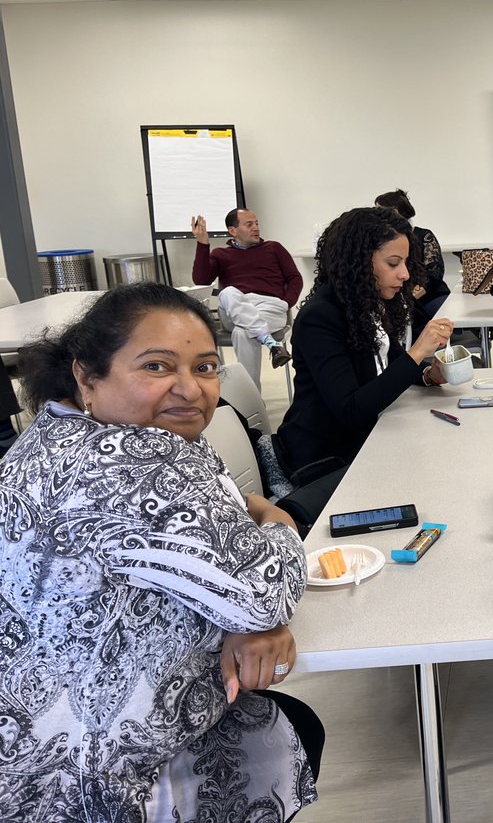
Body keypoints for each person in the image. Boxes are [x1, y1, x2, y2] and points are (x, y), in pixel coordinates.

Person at [0, 282, 321, 820]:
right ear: (86, 374)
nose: (190, 389)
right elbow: (265, 595)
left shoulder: (43, 438)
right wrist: (278, 518)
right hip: (100, 780)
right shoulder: (146, 457)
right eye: (155, 366)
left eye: (204, 367)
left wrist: (236, 601)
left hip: (22, 758)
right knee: (289, 727)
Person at [274, 206, 455, 478]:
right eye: (393, 263)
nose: (405, 274)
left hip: (366, 441)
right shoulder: (320, 318)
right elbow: (351, 411)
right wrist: (417, 352)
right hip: (326, 458)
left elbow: (390, 365)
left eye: (406, 263)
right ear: (358, 261)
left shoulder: (366, 305)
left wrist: (429, 375)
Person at [191, 207, 303, 388]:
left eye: (257, 223)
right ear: (232, 230)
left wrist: (286, 303)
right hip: (234, 308)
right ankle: (271, 344)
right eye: (249, 224)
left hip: (270, 307)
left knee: (242, 333)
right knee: (227, 292)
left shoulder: (273, 248)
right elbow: (201, 280)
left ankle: (252, 401)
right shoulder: (221, 254)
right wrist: (203, 243)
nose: (256, 228)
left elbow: (294, 278)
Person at [375, 186, 452, 337]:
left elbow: (435, 273)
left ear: (399, 213)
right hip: (400, 296)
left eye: (381, 211)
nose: (377, 216)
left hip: (429, 296)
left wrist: (414, 293)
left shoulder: (424, 236)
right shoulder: (381, 241)